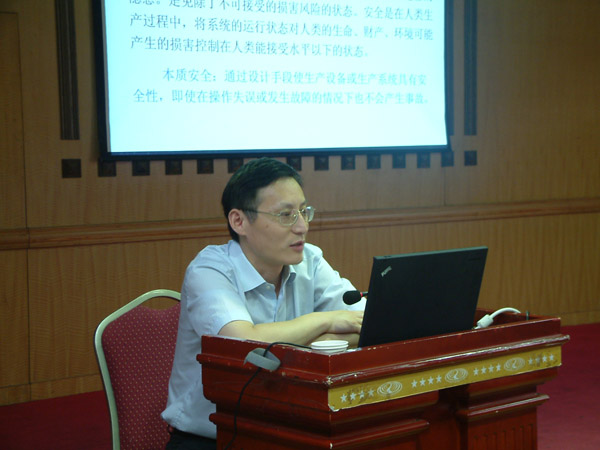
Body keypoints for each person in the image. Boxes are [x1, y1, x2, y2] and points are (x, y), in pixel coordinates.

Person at [162, 157, 365, 449]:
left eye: (304, 211)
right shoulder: (209, 270)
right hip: (213, 439)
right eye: (286, 215)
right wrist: (325, 321)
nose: (302, 227)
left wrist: (294, 345)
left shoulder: (309, 260)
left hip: (289, 432)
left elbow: (368, 323)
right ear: (239, 221)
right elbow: (243, 344)